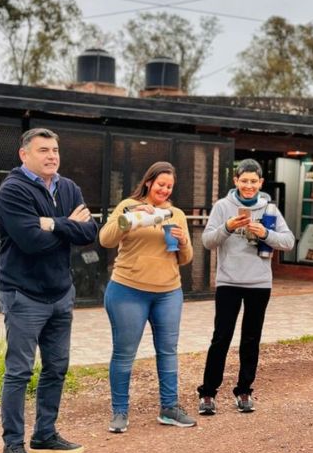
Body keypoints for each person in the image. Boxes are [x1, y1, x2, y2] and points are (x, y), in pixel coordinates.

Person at [0, 127, 98, 453]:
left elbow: (90, 232)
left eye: (55, 149)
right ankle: (13, 443)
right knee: (19, 371)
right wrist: (67, 224)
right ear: (24, 155)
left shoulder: (68, 188)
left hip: (60, 293)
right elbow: (30, 242)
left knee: (57, 367)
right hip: (23, 295)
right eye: (43, 150)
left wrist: (52, 224)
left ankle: (45, 435)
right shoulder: (12, 191)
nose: (52, 156)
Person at [99, 162, 196, 433]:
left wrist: (184, 241)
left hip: (168, 293)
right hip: (128, 290)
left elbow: (185, 259)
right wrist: (129, 217)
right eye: (160, 184)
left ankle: (169, 408)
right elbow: (105, 239)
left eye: (169, 186)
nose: (164, 190)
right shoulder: (128, 206)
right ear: (148, 182)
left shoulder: (176, 214)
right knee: (124, 354)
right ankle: (120, 412)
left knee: (168, 352)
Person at [196, 159, 295, 415]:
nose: (248, 186)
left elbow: (288, 242)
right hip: (228, 281)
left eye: (253, 181)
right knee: (221, 337)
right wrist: (227, 227)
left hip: (259, 283)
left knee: (251, 339)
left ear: (261, 183)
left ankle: (244, 390)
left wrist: (265, 234)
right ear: (235, 181)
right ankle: (208, 393)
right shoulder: (222, 206)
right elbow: (207, 241)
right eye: (244, 180)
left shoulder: (270, 209)